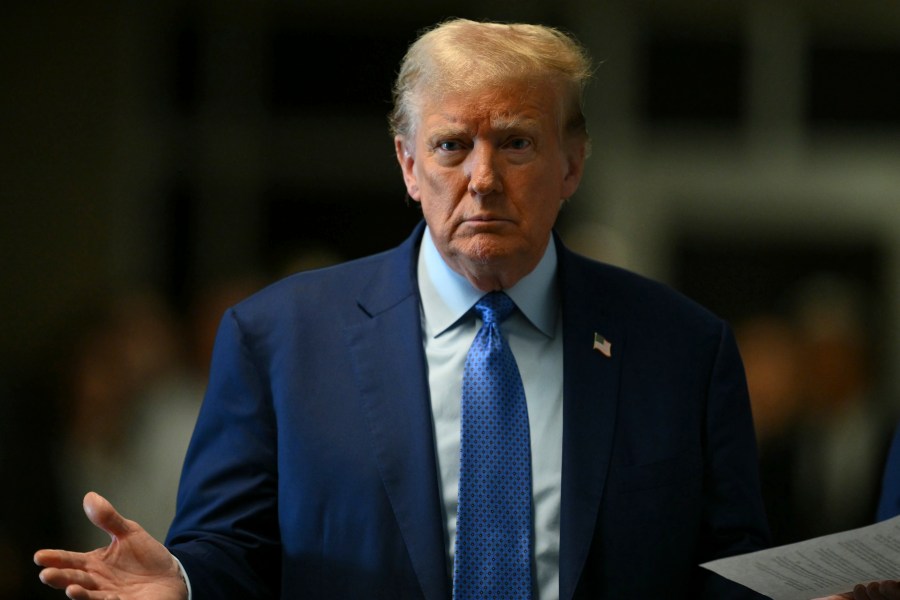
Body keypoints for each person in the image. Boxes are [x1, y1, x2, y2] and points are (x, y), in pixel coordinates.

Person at [35, 18, 771, 598]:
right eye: (452, 145)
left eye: (516, 142)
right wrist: (186, 584)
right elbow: (234, 549)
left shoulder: (683, 348)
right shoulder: (279, 339)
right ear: (409, 165)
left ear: (573, 162)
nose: (482, 179)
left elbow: (729, 567)